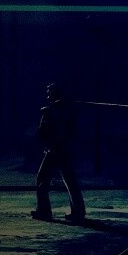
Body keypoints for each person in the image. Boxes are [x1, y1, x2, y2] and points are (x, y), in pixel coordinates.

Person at [32, 81, 85, 222]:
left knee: (43, 179)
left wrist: (48, 115)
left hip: (56, 149)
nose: (48, 95)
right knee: (69, 180)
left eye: (50, 92)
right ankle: (78, 212)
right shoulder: (64, 109)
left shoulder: (55, 110)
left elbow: (51, 131)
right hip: (62, 149)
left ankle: (44, 211)